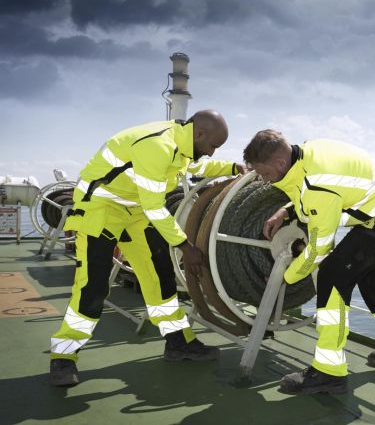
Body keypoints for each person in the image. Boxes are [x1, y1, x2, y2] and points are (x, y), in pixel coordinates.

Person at [49, 110, 246, 387]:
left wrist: (234, 168)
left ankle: (178, 342)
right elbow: (155, 206)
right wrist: (184, 246)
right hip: (101, 209)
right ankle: (64, 357)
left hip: (135, 211)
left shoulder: (182, 146)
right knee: (92, 286)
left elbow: (196, 169)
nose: (212, 153)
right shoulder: (157, 145)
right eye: (213, 146)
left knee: (160, 277)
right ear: (199, 133)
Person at [243, 129, 375, 395]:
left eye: (266, 173)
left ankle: (329, 371)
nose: (264, 180)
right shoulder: (305, 154)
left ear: (281, 163)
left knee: (331, 276)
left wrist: (287, 277)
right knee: (374, 285)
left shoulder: (317, 182)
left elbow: (319, 247)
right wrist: (286, 210)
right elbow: (307, 190)